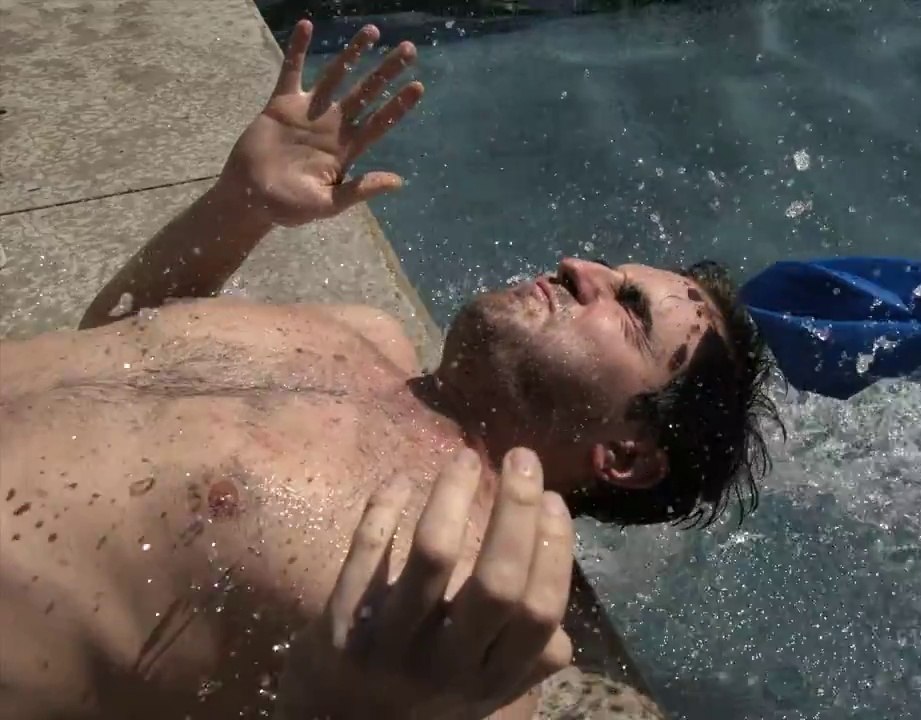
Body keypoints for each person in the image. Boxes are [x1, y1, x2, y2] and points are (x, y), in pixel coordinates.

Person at [0, 18, 778, 720]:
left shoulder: (451, 608)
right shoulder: (361, 333)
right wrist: (239, 206)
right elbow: (120, 338)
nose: (580, 266)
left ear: (628, 455)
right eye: (610, 268)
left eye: (628, 308)